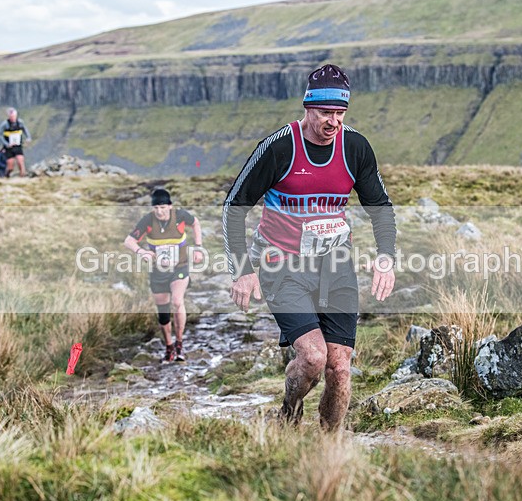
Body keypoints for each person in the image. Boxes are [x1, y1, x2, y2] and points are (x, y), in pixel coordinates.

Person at [222, 64, 397, 431]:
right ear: (308, 107)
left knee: (340, 367)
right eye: (325, 112)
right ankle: (289, 411)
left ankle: (329, 448)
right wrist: (242, 270)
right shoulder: (279, 147)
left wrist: (385, 257)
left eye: (340, 112)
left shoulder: (355, 147)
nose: (333, 121)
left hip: (336, 266)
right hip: (282, 265)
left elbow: (380, 207)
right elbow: (234, 207)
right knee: (314, 358)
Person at [124, 188, 204, 362]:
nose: (159, 211)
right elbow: (129, 241)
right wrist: (141, 252)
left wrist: (198, 247)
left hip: (179, 267)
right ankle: (169, 346)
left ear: (170, 206)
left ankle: (179, 343)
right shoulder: (147, 221)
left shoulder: (180, 216)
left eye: (162, 207)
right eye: (156, 208)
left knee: (177, 301)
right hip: (158, 271)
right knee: (163, 312)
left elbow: (196, 223)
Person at [0, 107, 32, 177]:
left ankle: (22, 178)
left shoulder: (20, 122)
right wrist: (6, 144)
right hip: (9, 147)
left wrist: (28, 138)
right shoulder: (5, 124)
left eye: (14, 116)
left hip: (18, 145)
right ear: (9, 116)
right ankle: (6, 177)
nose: (13, 118)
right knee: (10, 167)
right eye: (11, 117)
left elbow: (25, 130)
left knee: (20, 162)